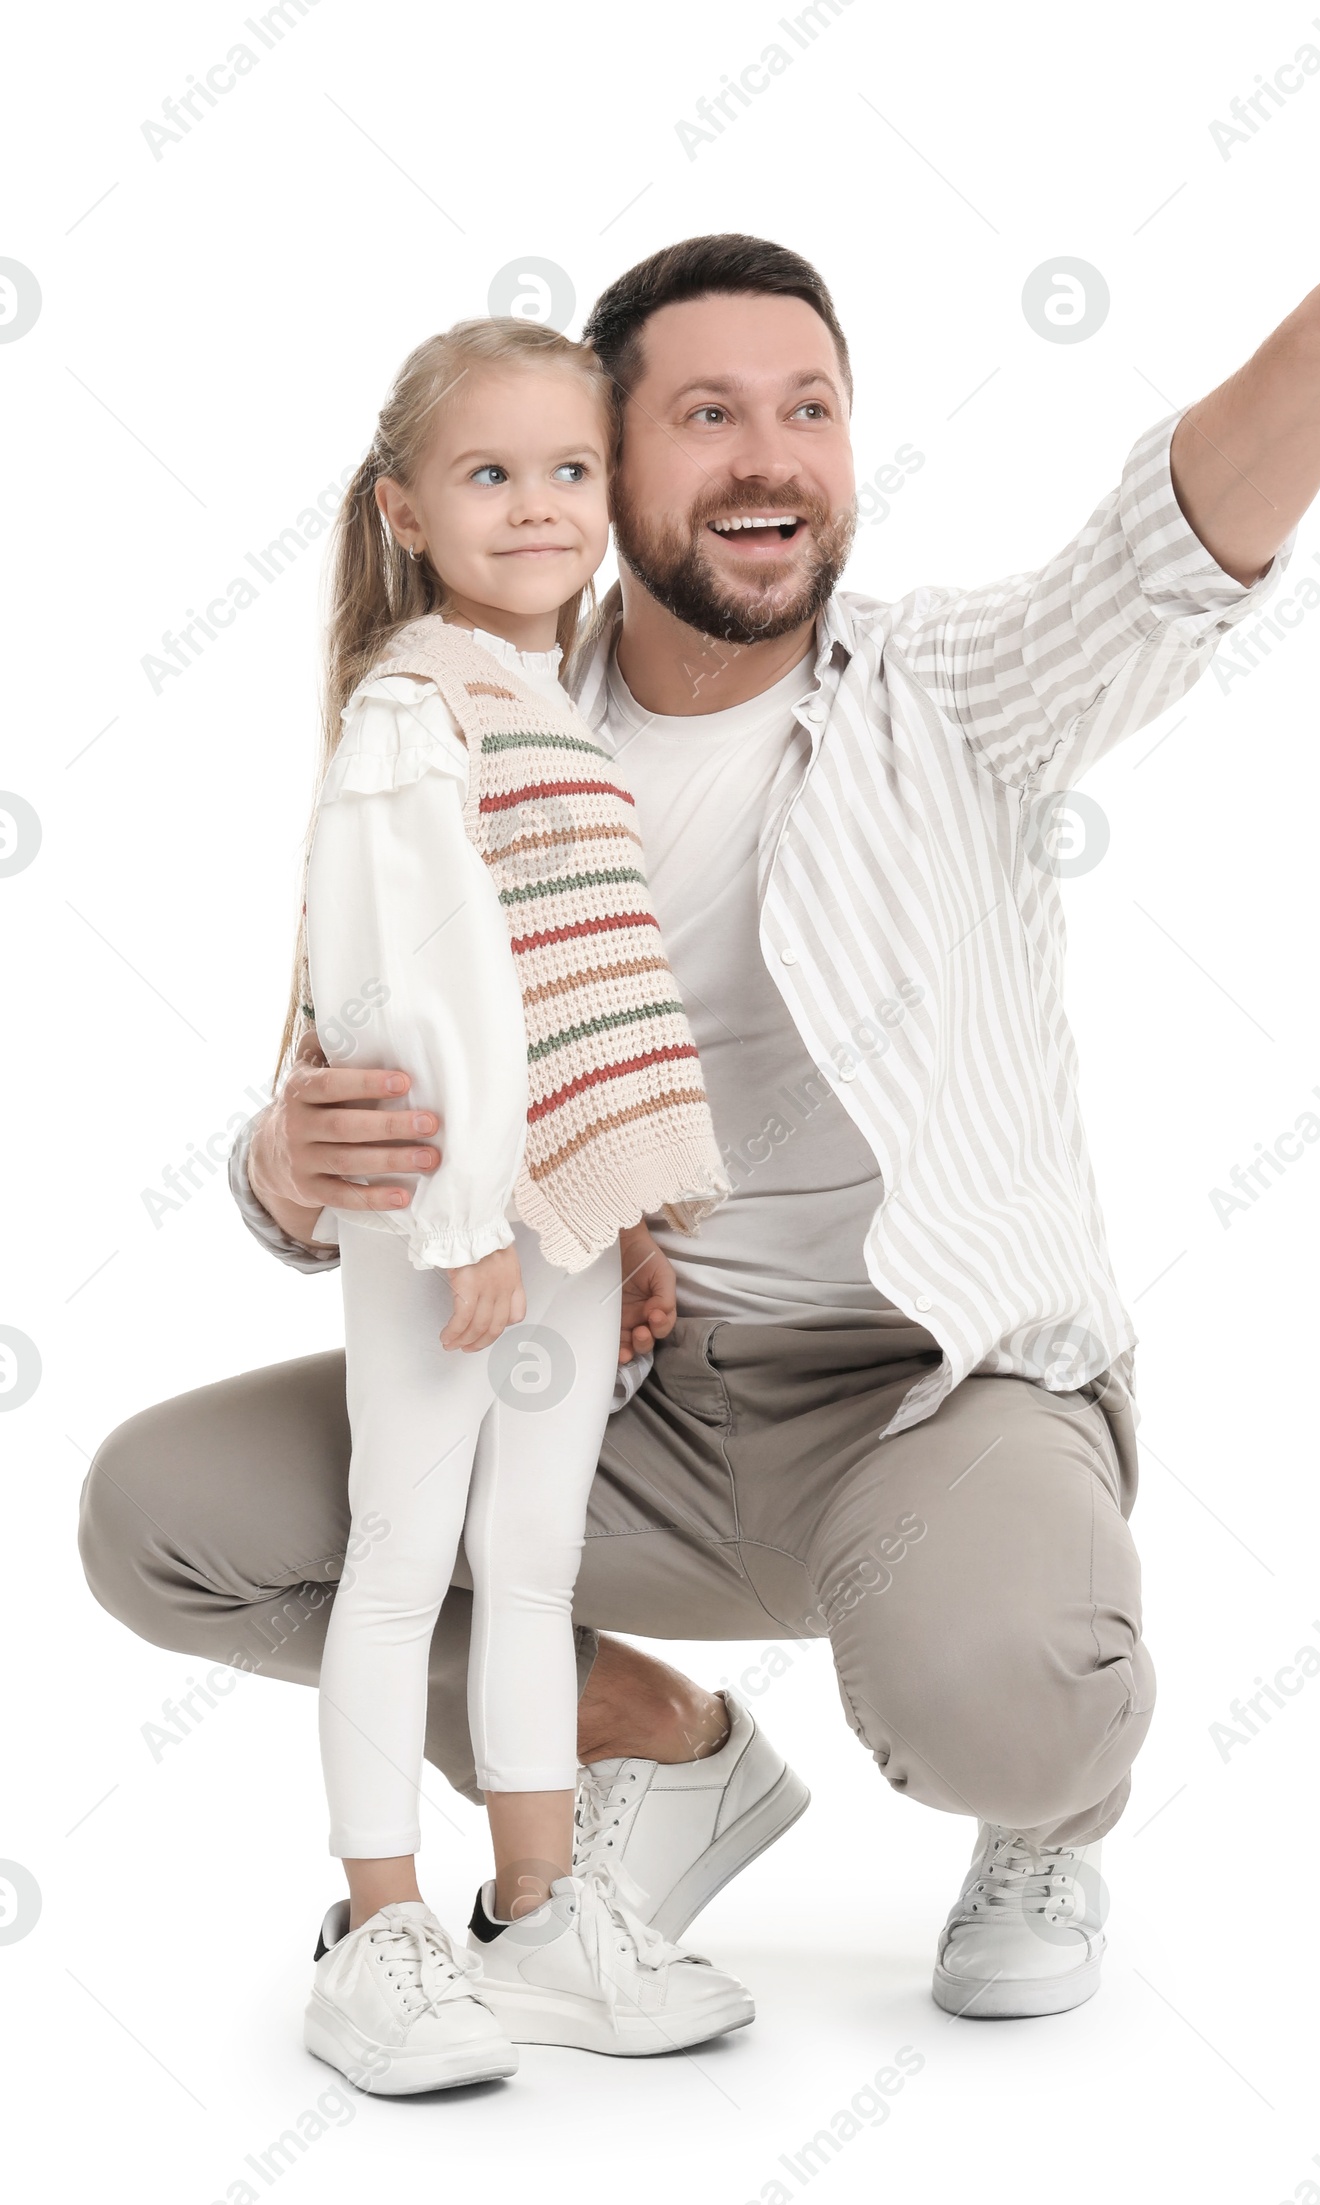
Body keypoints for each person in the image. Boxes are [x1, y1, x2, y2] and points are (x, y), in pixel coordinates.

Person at [81, 88, 1320, 2029]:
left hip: (923, 1397)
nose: (769, 456)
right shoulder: (480, 726)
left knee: (1008, 1693)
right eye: (703, 414)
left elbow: (1159, 552)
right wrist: (278, 1164)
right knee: (158, 1515)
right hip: (601, 1389)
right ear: (595, 469)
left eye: (810, 406)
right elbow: (380, 1057)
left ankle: (1045, 1811)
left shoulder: (949, 696)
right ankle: (654, 1741)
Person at [282, 315, 753, 2094]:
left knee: (535, 1565)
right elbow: (407, 979)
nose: (541, 505)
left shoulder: (542, 699)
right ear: (407, 507)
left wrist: (606, 1216)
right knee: (402, 1556)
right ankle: (380, 1925)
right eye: (493, 474)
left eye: (570, 469)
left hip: (551, 1221)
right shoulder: (418, 711)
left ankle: (541, 1904)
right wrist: (460, 1210)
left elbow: (565, 990)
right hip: (452, 1222)